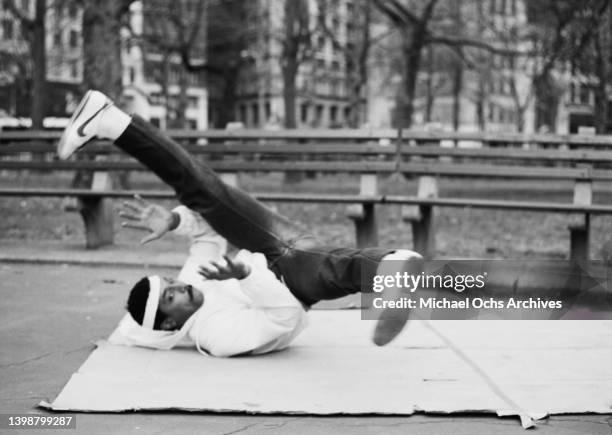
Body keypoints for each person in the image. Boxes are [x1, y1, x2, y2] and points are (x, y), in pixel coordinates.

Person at [57, 90, 423, 357]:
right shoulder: (217, 337)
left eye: (171, 283)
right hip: (294, 285)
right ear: (170, 324)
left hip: (269, 243)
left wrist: (172, 221)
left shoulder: (191, 279)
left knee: (201, 190)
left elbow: (204, 229)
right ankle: (437, 277)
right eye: (171, 297)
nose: (182, 287)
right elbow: (284, 316)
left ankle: (110, 120)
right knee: (333, 268)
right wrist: (246, 275)